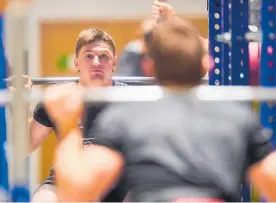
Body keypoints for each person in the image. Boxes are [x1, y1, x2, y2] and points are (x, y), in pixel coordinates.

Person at [44, 15, 276, 202]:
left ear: (149, 68)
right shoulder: (238, 119)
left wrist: (67, 125)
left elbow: (78, 191)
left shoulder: (126, 117)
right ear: (207, 64)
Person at [19, 28, 128, 202]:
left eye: (104, 56)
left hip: (120, 184)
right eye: (89, 56)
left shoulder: (131, 98)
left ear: (114, 63)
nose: (96, 63)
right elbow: (23, 148)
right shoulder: (59, 97)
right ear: (77, 62)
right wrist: (20, 105)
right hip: (68, 179)